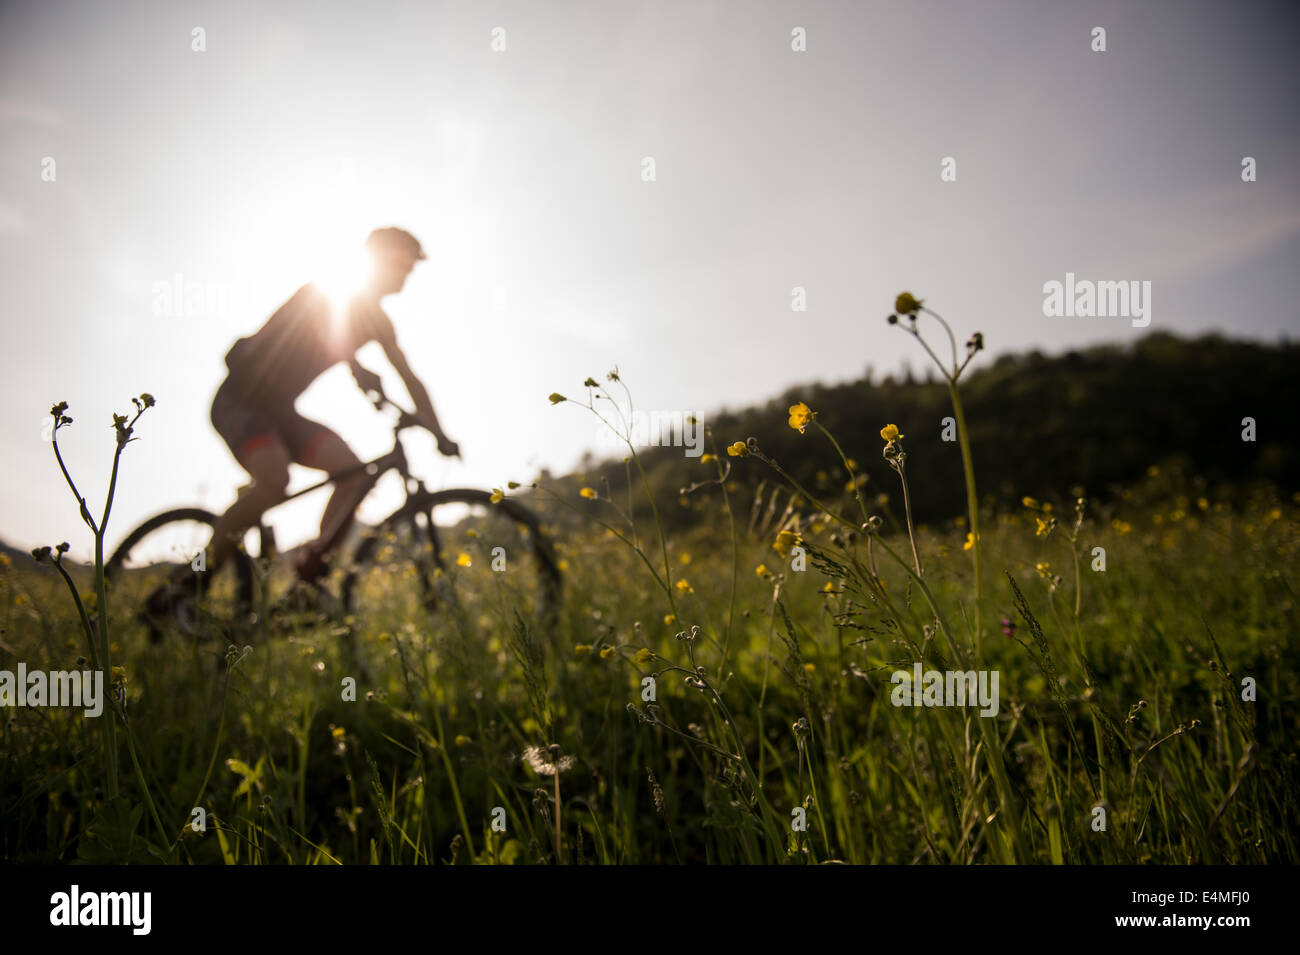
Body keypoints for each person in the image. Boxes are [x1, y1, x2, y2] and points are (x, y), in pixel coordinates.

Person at [154, 227, 459, 617]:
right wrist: (358, 367)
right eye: (404, 262)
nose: (408, 273)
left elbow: (409, 377)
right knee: (275, 481)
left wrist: (438, 431)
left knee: (353, 473)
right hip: (241, 403)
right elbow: (327, 329)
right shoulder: (322, 292)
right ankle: (191, 580)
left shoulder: (379, 321)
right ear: (381, 259)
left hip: (281, 413)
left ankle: (309, 581)